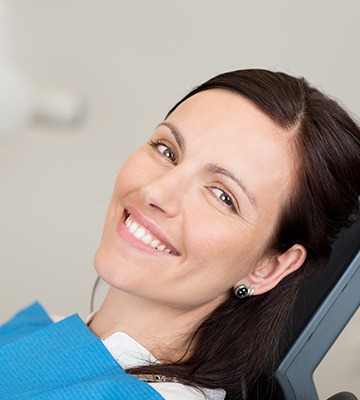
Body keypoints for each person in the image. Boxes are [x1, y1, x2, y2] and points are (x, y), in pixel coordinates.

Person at [1, 69, 359, 400]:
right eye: (167, 150)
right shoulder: (45, 327)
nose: (156, 192)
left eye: (222, 195)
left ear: (268, 267)